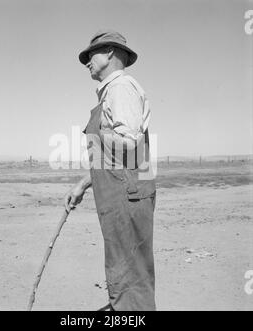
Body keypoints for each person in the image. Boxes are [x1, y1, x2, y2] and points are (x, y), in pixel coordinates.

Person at [64, 29, 156, 311]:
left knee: (131, 279)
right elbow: (114, 158)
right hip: (121, 195)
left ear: (111, 53)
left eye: (91, 55)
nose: (87, 62)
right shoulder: (111, 92)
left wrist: (102, 134)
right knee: (125, 274)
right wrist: (83, 183)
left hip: (126, 196)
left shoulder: (120, 88)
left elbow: (129, 145)